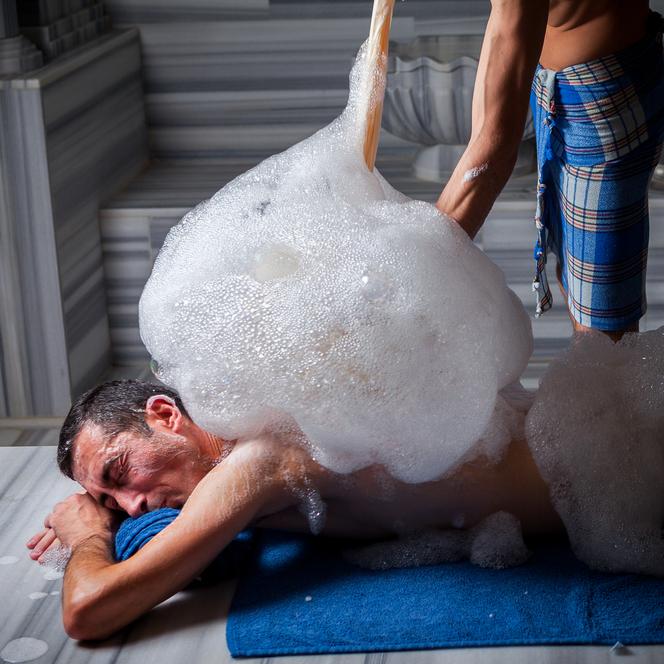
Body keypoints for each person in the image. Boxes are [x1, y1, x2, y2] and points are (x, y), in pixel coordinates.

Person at [27, 380, 561, 640]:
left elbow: (87, 612)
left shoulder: (258, 459)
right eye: (110, 505)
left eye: (120, 474)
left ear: (165, 414)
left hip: (613, 461)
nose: (132, 506)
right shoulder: (246, 442)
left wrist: (88, 534)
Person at [436, 0, 664, 341]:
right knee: (575, 280)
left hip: (601, 99)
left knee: (601, 335)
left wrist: (420, 265)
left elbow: (492, 152)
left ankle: (613, 392)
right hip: (565, 83)